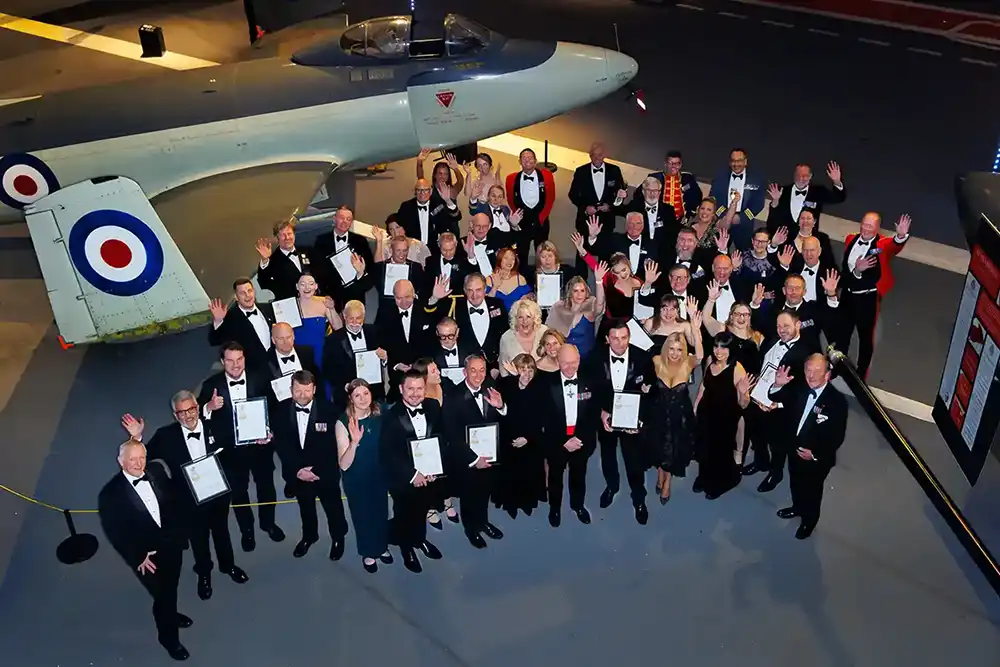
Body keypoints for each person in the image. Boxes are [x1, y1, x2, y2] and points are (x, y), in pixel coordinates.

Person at [124, 393, 249, 602]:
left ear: (198, 408)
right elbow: (141, 458)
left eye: (191, 410)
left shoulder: (216, 426)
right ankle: (204, 574)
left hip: (218, 495)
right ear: (175, 415)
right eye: (182, 412)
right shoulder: (166, 436)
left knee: (222, 532)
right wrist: (136, 438)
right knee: (199, 539)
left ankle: (228, 566)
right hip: (188, 501)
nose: (188, 416)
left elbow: (233, 452)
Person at [98, 439, 192, 661]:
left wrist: (180, 531)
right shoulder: (110, 495)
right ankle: (169, 639)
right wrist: (138, 556)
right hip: (147, 557)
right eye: (132, 459)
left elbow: (172, 501)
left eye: (142, 458)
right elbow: (115, 533)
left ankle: (167, 611)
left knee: (170, 588)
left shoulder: (156, 470)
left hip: (171, 544)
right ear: (120, 462)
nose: (138, 464)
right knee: (164, 594)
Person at [198, 342, 284, 552]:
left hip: (260, 447)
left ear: (245, 358)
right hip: (230, 451)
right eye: (230, 360)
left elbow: (275, 410)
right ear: (222, 362)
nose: (236, 365)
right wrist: (209, 407)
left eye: (239, 359)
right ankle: (247, 531)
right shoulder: (211, 386)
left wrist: (269, 431)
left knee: (266, 487)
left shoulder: (261, 378)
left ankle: (268, 523)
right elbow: (198, 417)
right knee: (239, 493)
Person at [769, 353, 848, 539]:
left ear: (827, 375)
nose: (811, 375)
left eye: (817, 371)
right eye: (808, 370)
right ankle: (797, 507)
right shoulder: (798, 387)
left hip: (816, 459)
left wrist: (814, 454)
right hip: (794, 449)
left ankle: (809, 521)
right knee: (795, 482)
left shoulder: (837, 403)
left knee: (812, 490)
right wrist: (779, 384)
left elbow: (836, 437)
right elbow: (776, 395)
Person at [273, 370, 349, 560]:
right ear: (291, 389)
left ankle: (338, 538)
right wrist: (298, 471)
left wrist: (317, 471)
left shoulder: (330, 411)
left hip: (325, 473)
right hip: (298, 474)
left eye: (307, 390)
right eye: (298, 390)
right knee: (305, 507)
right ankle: (309, 536)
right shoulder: (280, 411)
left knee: (333, 507)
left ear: (314, 389)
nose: (302, 395)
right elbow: (282, 446)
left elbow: (334, 448)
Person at [379, 369, 449, 573]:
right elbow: (388, 453)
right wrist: (413, 474)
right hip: (403, 479)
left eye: (420, 388)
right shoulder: (390, 415)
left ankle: (419, 540)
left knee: (422, 510)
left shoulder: (433, 406)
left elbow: (441, 437)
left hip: (430, 474)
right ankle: (406, 548)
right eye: (410, 388)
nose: (415, 393)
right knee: (404, 514)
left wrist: (437, 466)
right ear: (401, 389)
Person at [592, 320, 654, 524]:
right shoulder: (595, 356)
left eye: (624, 338)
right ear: (607, 339)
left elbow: (650, 392)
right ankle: (612, 486)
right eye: (615, 339)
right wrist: (601, 412)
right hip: (606, 417)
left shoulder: (642, 357)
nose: (619, 343)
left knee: (634, 461)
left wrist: (640, 421)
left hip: (631, 420)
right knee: (608, 455)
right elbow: (591, 390)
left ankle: (639, 499)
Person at [444, 354, 506, 548]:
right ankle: (471, 528)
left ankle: (483, 522)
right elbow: (451, 436)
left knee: (484, 491)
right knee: (470, 495)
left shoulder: (491, 388)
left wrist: (501, 406)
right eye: (473, 370)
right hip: (467, 460)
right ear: (464, 372)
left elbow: (502, 422)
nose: (478, 375)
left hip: (489, 456)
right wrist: (473, 459)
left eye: (482, 370)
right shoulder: (453, 397)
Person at [335, 379, 394, 572]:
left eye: (365, 393)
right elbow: (343, 465)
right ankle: (368, 551)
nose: (362, 399)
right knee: (363, 515)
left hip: (379, 473)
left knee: (380, 511)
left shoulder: (381, 412)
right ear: (351, 399)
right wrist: (354, 442)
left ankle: (381, 546)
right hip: (356, 477)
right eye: (357, 395)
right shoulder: (343, 422)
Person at [542, 344, 599, 527]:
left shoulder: (590, 380)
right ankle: (555, 508)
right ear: (557, 361)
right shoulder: (546, 383)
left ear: (579, 360)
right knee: (555, 477)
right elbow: (544, 419)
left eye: (573, 363)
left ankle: (578, 505)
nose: (569, 367)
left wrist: (580, 439)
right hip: (556, 441)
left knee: (579, 474)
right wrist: (563, 441)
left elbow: (593, 414)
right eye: (565, 363)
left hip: (581, 440)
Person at [693, 333, 753, 500]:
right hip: (707, 414)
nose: (718, 351)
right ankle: (703, 477)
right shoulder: (709, 361)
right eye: (716, 346)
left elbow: (743, 405)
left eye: (723, 347)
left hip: (725, 419)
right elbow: (704, 385)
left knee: (720, 453)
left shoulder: (737, 369)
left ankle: (721, 483)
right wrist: (696, 406)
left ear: (730, 349)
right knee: (704, 448)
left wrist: (742, 392)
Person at [648, 327, 703, 504]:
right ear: (666, 348)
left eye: (679, 349)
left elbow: (701, 356)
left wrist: (695, 328)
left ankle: (667, 482)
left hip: (680, 414)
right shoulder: (656, 361)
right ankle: (660, 472)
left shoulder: (688, 363)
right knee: (657, 446)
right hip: (658, 412)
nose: (675, 353)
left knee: (673, 449)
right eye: (672, 348)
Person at [496, 355, 547, 518]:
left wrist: (528, 438)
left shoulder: (539, 388)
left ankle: (527, 502)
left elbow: (542, 418)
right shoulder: (505, 385)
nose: (526, 374)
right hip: (508, 437)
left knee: (529, 472)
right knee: (511, 472)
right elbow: (501, 413)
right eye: (522, 369)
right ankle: (511, 503)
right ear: (516, 370)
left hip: (531, 439)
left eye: (530, 369)